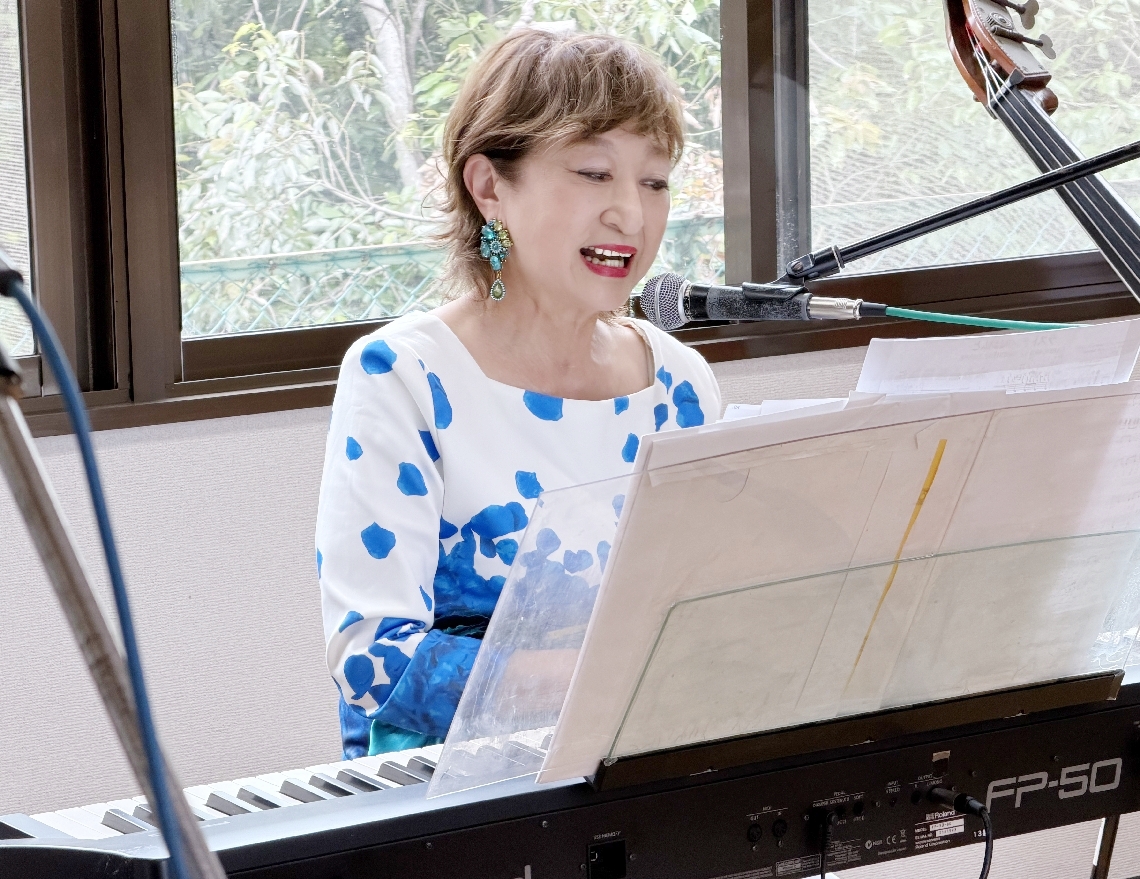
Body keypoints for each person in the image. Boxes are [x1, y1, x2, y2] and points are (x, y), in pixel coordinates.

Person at [315, 27, 722, 759]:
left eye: (655, 181)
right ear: (489, 186)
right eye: (594, 172)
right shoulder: (403, 375)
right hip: (453, 792)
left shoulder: (680, 382)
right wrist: (612, 679)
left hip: (649, 772)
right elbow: (373, 661)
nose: (631, 214)